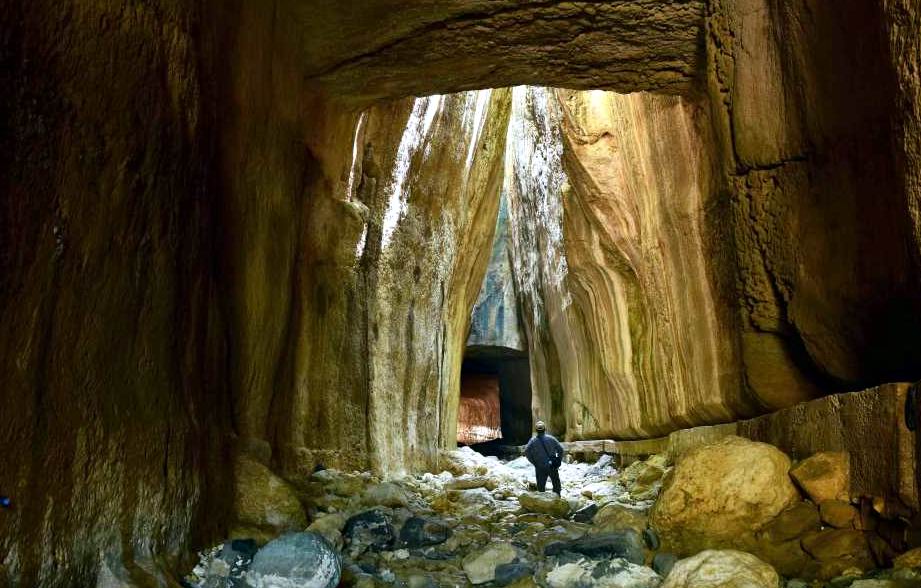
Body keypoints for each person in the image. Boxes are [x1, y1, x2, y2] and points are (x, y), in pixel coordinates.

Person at [523, 420, 564, 495]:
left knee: (541, 487)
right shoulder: (551, 439)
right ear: (545, 429)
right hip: (552, 465)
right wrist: (558, 460)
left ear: (536, 430)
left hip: (540, 466)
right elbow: (561, 449)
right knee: (556, 485)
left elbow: (526, 452)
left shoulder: (533, 441)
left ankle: (542, 500)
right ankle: (557, 498)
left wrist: (534, 462)